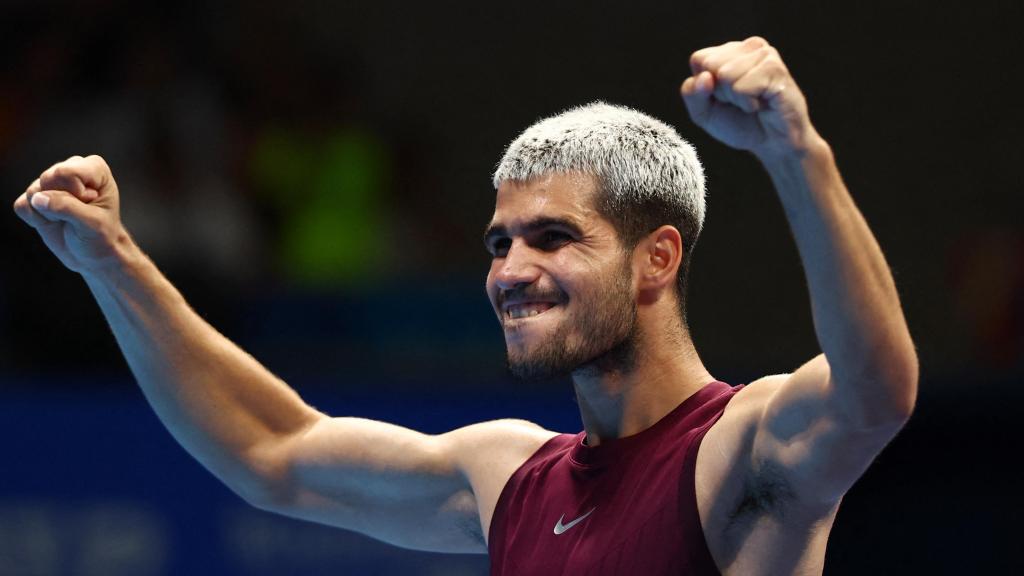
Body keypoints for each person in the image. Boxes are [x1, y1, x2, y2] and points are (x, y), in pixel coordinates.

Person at [13, 37, 916, 575]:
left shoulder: (741, 449)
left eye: (553, 238)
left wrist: (799, 152)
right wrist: (114, 264)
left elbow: (876, 389)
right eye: (498, 243)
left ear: (657, 260)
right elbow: (272, 450)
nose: (510, 271)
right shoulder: (510, 476)